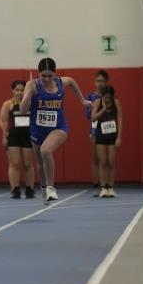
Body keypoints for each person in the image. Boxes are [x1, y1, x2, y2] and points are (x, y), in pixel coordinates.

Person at [20, 57, 92, 204]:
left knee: (46, 150)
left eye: (50, 75)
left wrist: (82, 100)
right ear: (39, 73)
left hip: (58, 127)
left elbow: (71, 81)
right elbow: (22, 111)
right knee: (40, 162)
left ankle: (51, 187)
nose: (47, 79)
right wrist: (29, 93)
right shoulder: (32, 85)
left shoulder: (61, 82)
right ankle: (44, 188)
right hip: (37, 129)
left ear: (55, 73)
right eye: (43, 76)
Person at [0, 80, 36, 199]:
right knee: (15, 163)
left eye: (22, 90)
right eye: (17, 90)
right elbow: (3, 121)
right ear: (12, 91)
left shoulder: (31, 103)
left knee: (28, 163)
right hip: (13, 136)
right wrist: (4, 136)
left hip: (28, 136)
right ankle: (15, 189)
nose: (19, 92)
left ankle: (30, 189)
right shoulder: (8, 104)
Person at [91, 85, 122, 198]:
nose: (108, 99)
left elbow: (120, 120)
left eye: (109, 97)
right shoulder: (97, 103)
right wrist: (103, 108)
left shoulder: (116, 103)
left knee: (111, 162)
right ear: (102, 96)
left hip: (112, 135)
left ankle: (111, 187)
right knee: (103, 162)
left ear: (112, 96)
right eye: (105, 97)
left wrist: (119, 137)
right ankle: (104, 187)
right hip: (101, 135)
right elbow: (93, 118)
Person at [85, 70, 109, 194]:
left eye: (102, 81)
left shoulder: (109, 96)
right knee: (96, 158)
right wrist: (95, 109)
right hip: (94, 129)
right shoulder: (90, 97)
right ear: (95, 82)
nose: (100, 83)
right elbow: (87, 115)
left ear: (106, 82)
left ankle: (107, 185)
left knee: (106, 159)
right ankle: (96, 185)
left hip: (107, 129)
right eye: (98, 81)